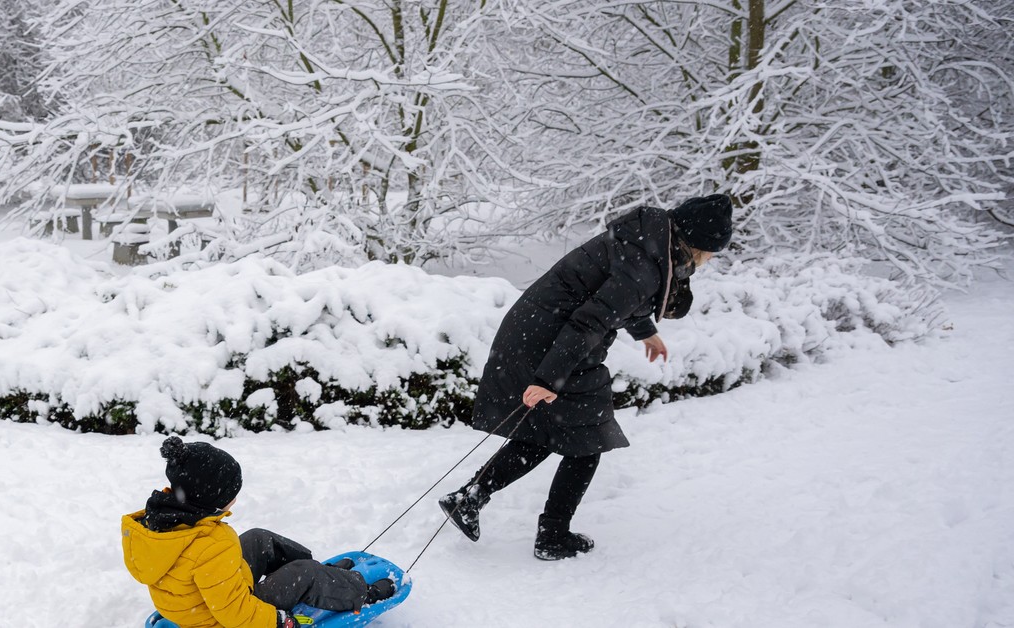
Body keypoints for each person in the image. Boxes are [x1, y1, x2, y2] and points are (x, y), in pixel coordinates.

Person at [438, 194, 734, 560]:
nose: (709, 261)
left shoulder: (645, 243)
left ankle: (469, 499)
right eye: (711, 253)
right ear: (698, 244)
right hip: (553, 342)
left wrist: (644, 331)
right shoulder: (645, 264)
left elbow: (614, 296)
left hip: (538, 334)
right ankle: (551, 537)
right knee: (586, 440)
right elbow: (593, 318)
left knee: (552, 431)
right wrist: (548, 380)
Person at [122, 436, 396, 628]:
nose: (235, 498)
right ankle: (359, 592)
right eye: (231, 493)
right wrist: (280, 623)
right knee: (303, 575)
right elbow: (235, 614)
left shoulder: (161, 519)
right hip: (219, 621)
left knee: (258, 539)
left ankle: (325, 577)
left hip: (201, 602)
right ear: (209, 499)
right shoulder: (211, 546)